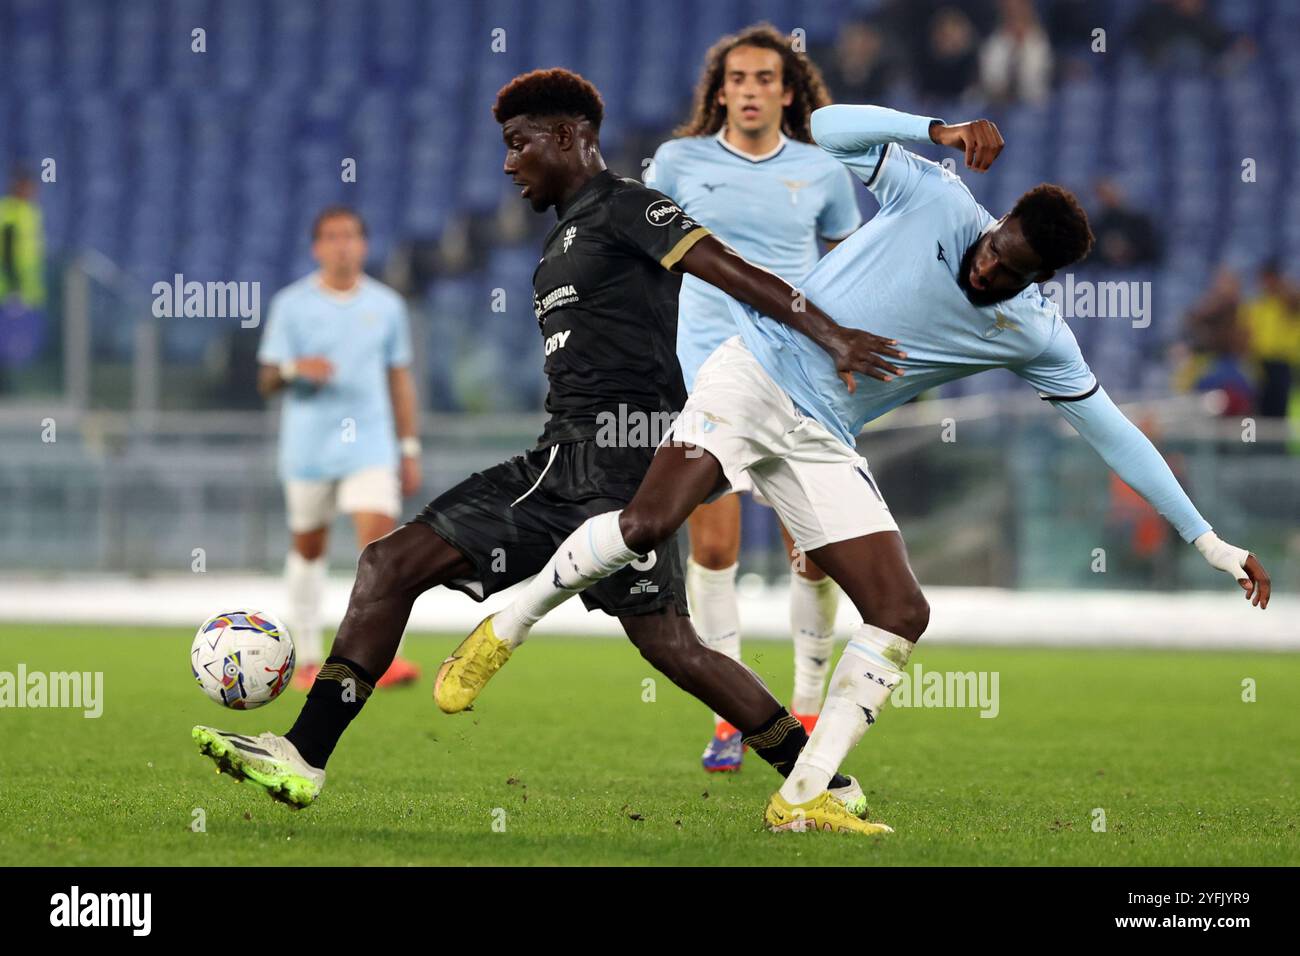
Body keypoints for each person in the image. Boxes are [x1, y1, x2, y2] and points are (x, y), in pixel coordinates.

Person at [442, 102, 1271, 835]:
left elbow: (1112, 429)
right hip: (755, 370)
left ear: (1040, 282)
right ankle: (511, 620)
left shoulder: (1035, 333)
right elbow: (827, 129)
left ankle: (805, 793)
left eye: (1011, 272)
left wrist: (1207, 541)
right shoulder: (940, 197)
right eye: (994, 249)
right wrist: (933, 130)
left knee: (901, 610)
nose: (988, 268)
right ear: (998, 221)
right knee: (651, 524)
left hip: (823, 434)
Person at [192, 70, 903, 825]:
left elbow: (730, 270)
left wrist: (830, 334)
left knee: (388, 563)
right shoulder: (562, 236)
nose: (508, 163)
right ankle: (816, 777)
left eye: (518, 143)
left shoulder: (629, 206)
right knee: (671, 645)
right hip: (602, 466)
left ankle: (303, 755)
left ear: (568, 136)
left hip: (594, 465)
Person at [645, 23, 863, 771]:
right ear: (720, 92)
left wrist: (847, 351)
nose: (749, 90)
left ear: (789, 91)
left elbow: (849, 266)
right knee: (713, 549)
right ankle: (730, 713)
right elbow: (643, 253)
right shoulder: (677, 162)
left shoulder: (822, 170)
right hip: (708, 375)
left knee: (817, 553)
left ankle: (804, 706)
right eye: (736, 79)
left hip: (799, 377)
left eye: (764, 78)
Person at [255, 206, 423, 691]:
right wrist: (292, 370)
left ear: (363, 245)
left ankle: (381, 657)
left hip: (370, 444)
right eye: (331, 237)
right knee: (309, 548)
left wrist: (408, 447)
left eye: (350, 236)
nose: (342, 245)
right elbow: (266, 377)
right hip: (309, 447)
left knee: (379, 544)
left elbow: (399, 379)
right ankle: (307, 657)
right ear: (317, 247)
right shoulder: (292, 304)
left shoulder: (387, 305)